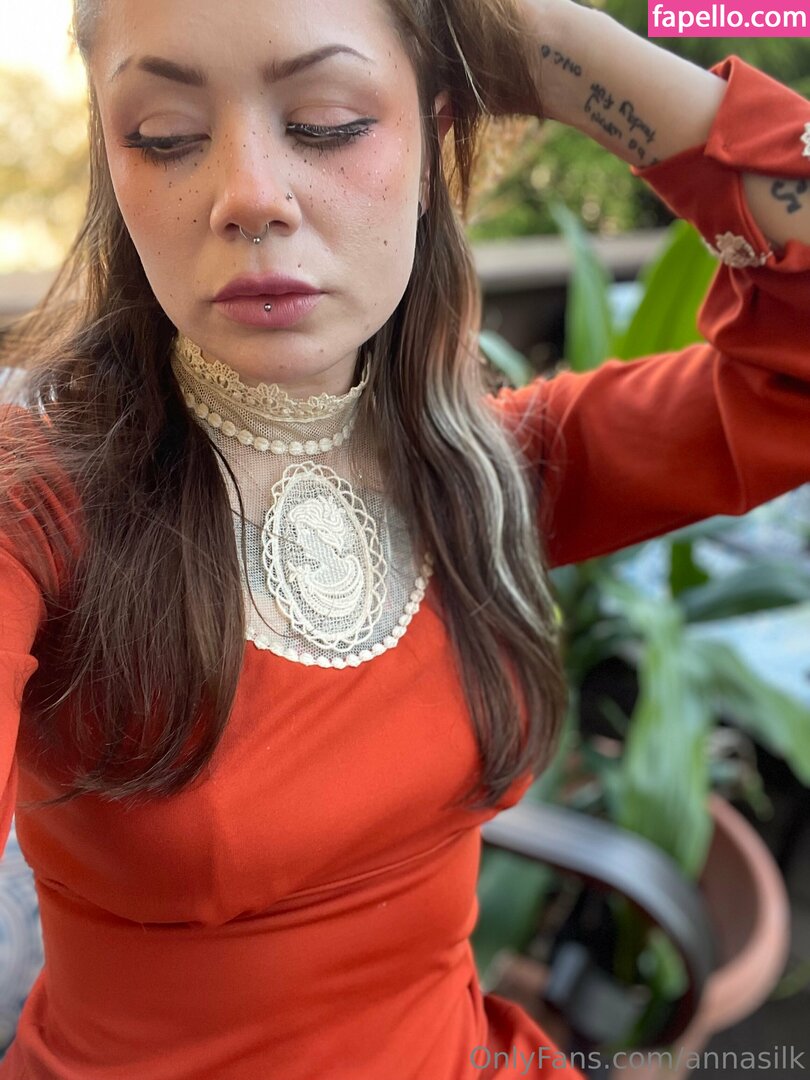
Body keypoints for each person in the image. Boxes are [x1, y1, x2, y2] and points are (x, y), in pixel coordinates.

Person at [0, 0, 808, 1076]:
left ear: (432, 145)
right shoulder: (36, 510)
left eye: (329, 122)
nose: (251, 195)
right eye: (165, 137)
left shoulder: (491, 473)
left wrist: (556, 51)